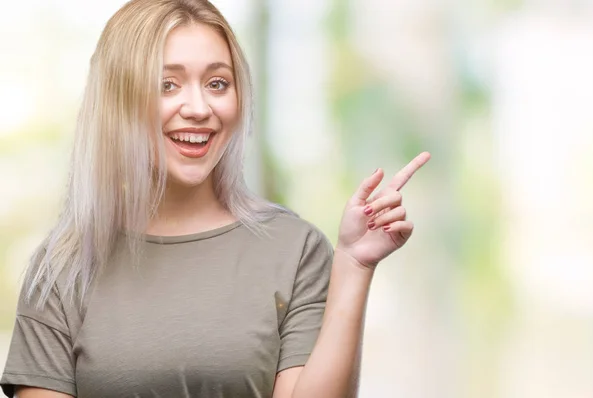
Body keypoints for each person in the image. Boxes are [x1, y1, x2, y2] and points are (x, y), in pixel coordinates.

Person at [0, 0, 430, 397]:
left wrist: (355, 264)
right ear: (118, 99)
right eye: (167, 84)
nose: (199, 107)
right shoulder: (63, 268)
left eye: (217, 83)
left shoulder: (294, 250)